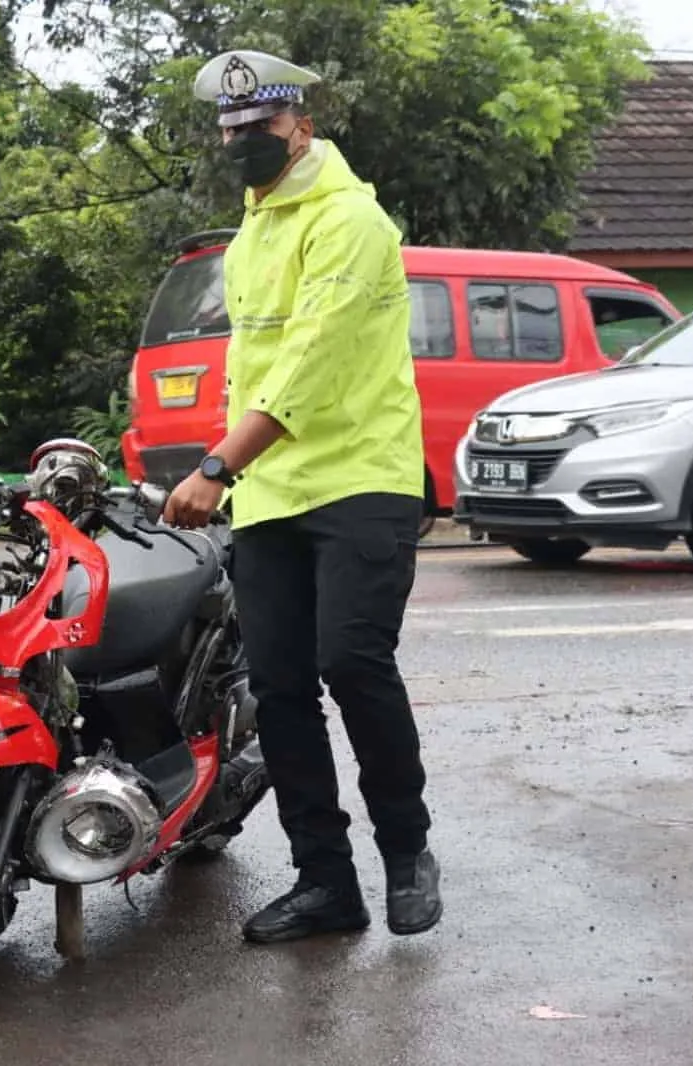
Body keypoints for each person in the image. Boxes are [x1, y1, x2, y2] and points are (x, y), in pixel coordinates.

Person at [163, 50, 443, 943]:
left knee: (351, 661)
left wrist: (215, 466)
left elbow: (309, 365)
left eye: (261, 129)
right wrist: (229, 466)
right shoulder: (252, 233)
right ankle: (325, 882)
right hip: (274, 489)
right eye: (231, 132)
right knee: (278, 688)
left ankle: (406, 852)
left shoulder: (350, 221)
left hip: (361, 475)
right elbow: (248, 365)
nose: (245, 143)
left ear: (301, 128)